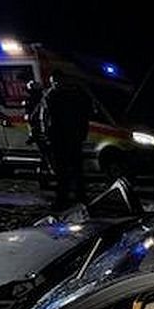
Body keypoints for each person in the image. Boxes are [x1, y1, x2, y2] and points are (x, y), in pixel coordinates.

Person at [38, 71, 92, 208]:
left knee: (62, 170)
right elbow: (86, 115)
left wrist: (45, 134)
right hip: (73, 137)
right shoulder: (77, 95)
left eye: (53, 82)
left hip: (59, 137)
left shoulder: (51, 95)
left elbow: (44, 117)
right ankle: (81, 196)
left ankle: (63, 198)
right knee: (76, 169)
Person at [22, 79, 51, 188]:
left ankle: (44, 177)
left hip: (38, 132)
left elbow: (28, 119)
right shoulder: (41, 101)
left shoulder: (30, 102)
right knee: (46, 155)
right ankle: (44, 177)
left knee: (45, 155)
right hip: (42, 132)